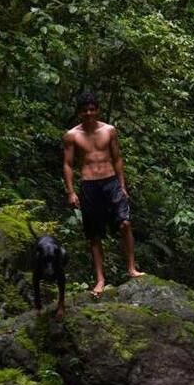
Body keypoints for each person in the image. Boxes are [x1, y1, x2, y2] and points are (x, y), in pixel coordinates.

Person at [63, 91, 144, 297]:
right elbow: (68, 164)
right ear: (80, 112)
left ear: (97, 110)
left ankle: (132, 268)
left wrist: (122, 185)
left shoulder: (109, 131)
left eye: (92, 109)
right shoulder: (72, 135)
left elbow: (117, 158)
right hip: (89, 186)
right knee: (94, 235)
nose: (89, 113)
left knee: (125, 223)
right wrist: (71, 192)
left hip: (111, 183)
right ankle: (100, 280)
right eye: (85, 110)